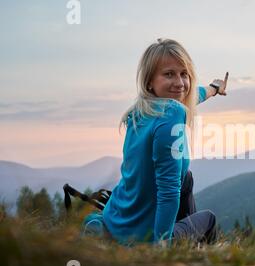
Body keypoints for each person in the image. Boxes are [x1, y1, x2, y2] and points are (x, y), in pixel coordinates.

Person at [83, 38, 228, 245]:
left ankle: (185, 244)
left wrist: (214, 88)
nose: (179, 83)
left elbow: (191, 95)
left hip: (117, 220)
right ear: (149, 81)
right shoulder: (172, 113)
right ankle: (198, 262)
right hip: (143, 238)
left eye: (184, 74)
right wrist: (161, 247)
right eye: (169, 74)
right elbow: (168, 192)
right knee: (209, 219)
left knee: (185, 178)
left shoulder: (140, 112)